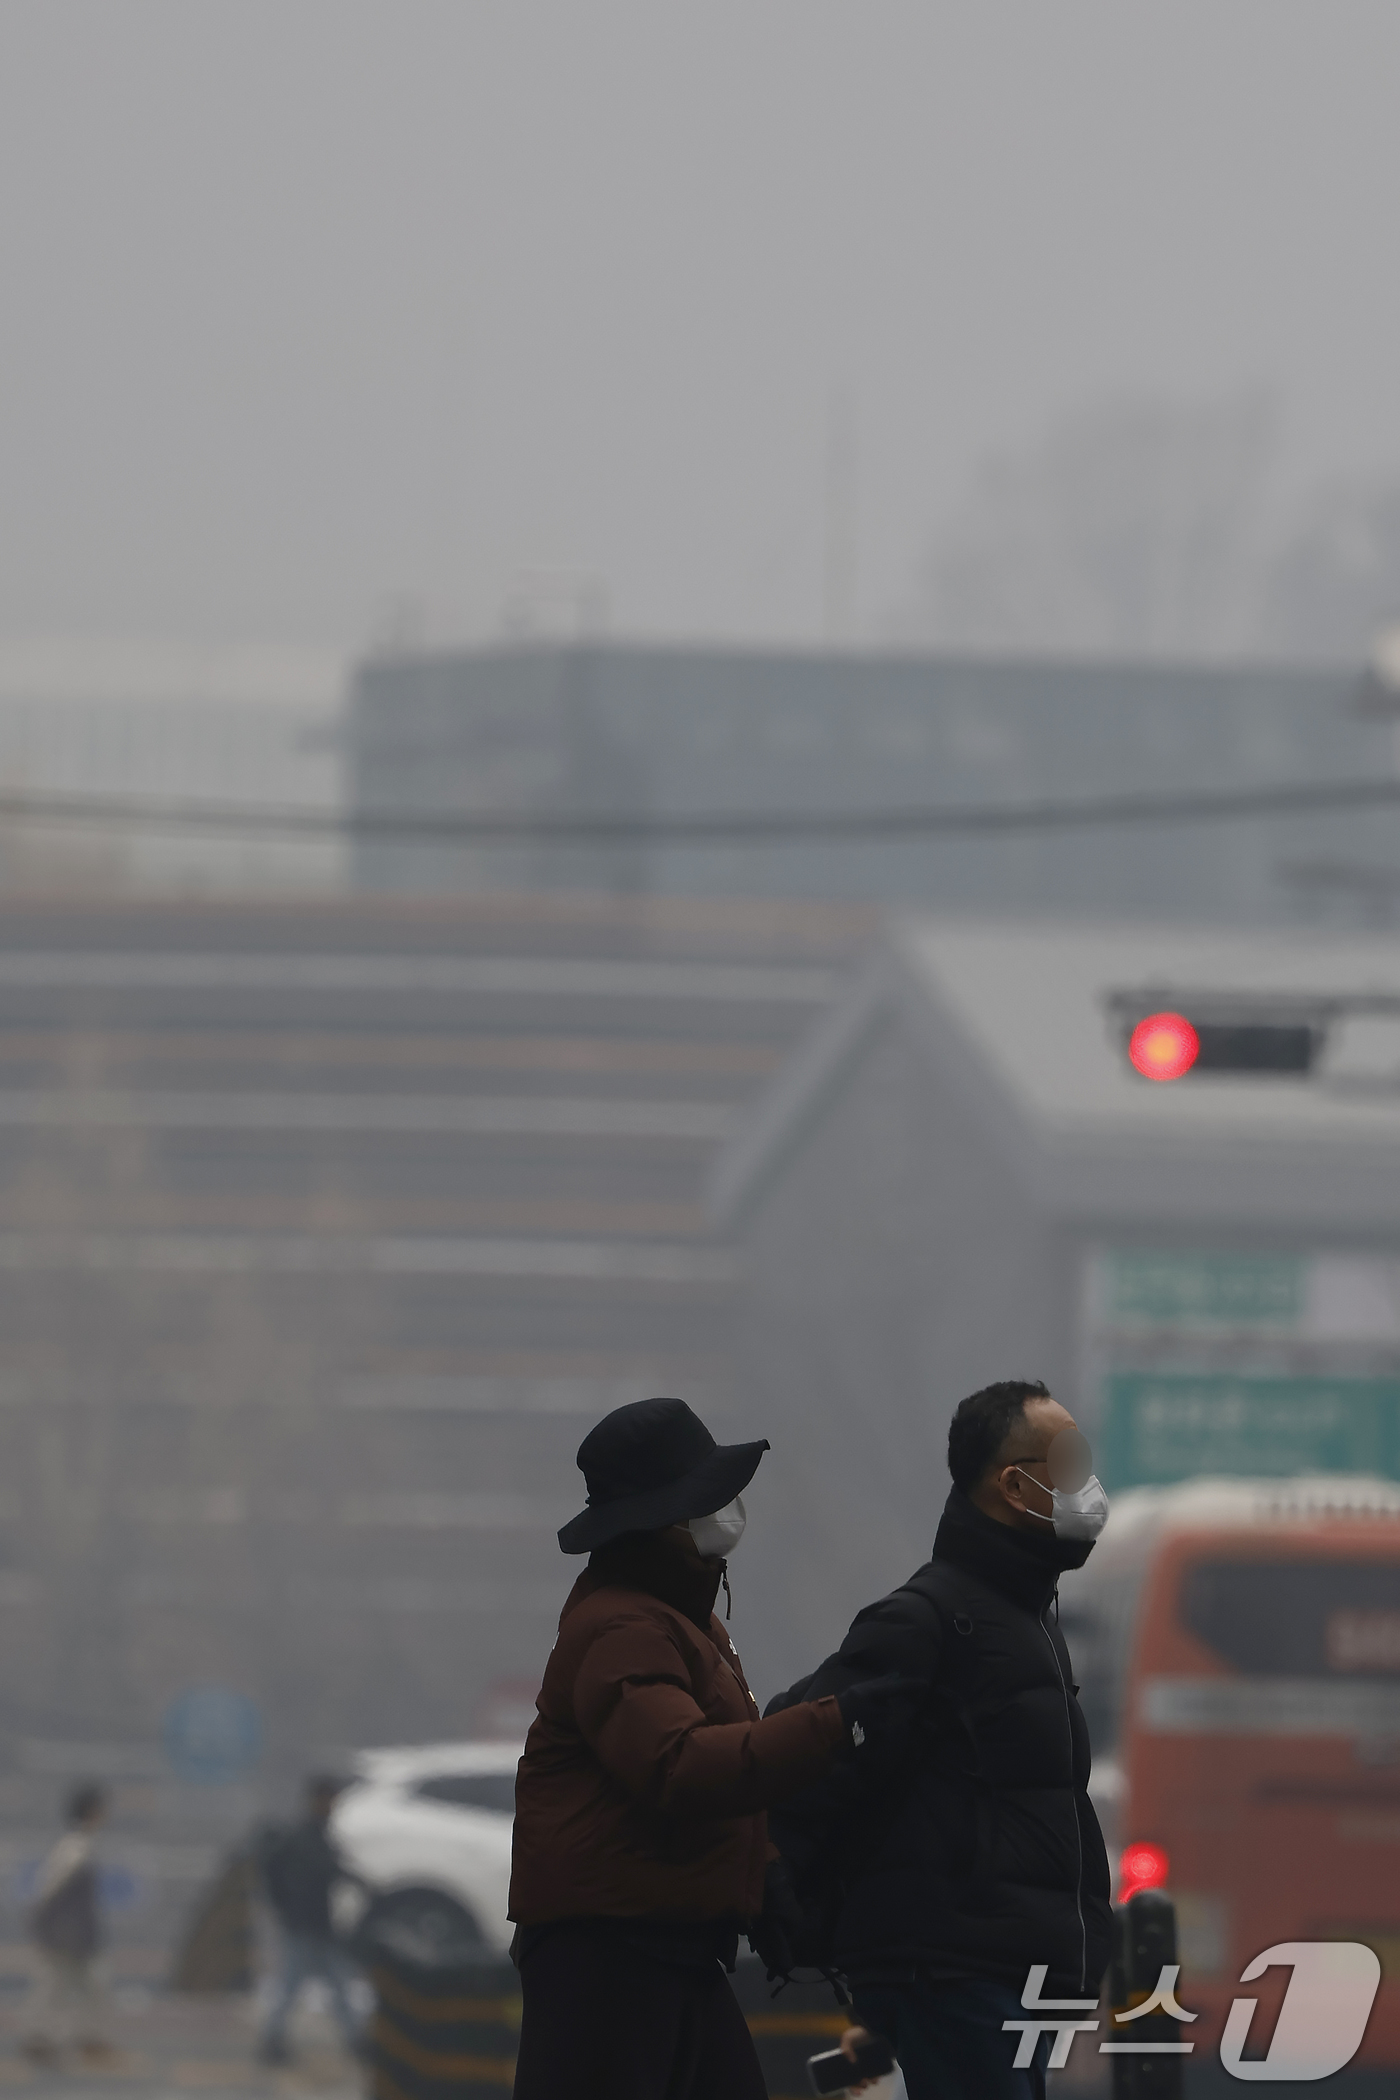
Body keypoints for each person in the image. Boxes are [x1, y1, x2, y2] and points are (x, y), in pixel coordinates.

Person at [508, 1395, 922, 2100]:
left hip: (665, 1945)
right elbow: (680, 1766)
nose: (729, 1510)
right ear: (659, 1522)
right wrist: (834, 1724)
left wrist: (758, 1886)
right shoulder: (621, 1629)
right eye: (708, 1497)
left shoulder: (678, 1620)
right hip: (609, 1956)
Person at [769, 1380, 1114, 2100]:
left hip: (1008, 1979)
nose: (1090, 1487)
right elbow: (812, 1764)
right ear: (1014, 1485)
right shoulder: (928, 1620)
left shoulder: (1030, 1623)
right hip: (949, 1976)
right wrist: (782, 1914)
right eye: (1070, 1463)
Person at [257, 1775, 364, 2065]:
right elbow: (280, 1876)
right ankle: (273, 2038)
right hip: (306, 1925)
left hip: (321, 1925)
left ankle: (355, 2040)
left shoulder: (322, 1835)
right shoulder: (306, 1837)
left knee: (332, 1986)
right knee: (296, 1985)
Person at [24, 1782, 111, 2065]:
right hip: (67, 1935)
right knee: (63, 1985)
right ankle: (48, 2038)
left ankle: (69, 2038)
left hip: (70, 1934)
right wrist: (52, 1929)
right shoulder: (75, 1848)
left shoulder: (76, 1845)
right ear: (91, 1812)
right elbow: (52, 1892)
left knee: (77, 1986)